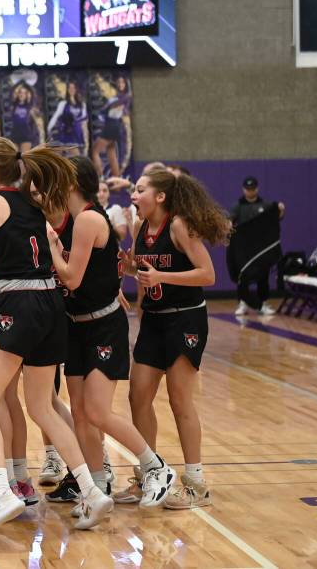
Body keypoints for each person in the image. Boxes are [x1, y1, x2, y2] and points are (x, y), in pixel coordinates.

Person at [0, 138, 114, 536]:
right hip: (50, 303)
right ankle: (91, 488)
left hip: (19, 302)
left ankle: (1, 490)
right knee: (43, 406)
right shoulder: (33, 203)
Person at [47, 156, 176, 511]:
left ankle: (156, 467)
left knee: (99, 411)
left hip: (103, 324)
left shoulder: (88, 218)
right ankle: (97, 484)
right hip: (76, 324)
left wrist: (53, 247)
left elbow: (71, 277)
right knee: (82, 412)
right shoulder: (72, 220)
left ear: (71, 182)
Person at [123, 169, 230, 511]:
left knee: (179, 399)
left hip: (186, 319)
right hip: (154, 319)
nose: (133, 195)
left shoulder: (179, 225)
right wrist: (128, 268)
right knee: (137, 395)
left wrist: (161, 275)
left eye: (139, 190)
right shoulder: (140, 227)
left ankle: (196, 482)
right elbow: (146, 272)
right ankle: (149, 474)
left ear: (160, 197)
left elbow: (208, 274)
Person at [229, 176, 284, 316]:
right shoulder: (238, 206)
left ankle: (263, 302)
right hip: (244, 249)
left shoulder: (265, 205)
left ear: (257, 189)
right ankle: (243, 303)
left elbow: (275, 219)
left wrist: (280, 211)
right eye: (247, 189)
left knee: (263, 275)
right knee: (243, 276)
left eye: (252, 189)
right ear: (243, 189)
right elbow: (230, 222)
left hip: (260, 249)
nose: (250, 191)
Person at [90, 73, 131, 180]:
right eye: (118, 82)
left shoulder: (123, 97)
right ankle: (116, 182)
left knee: (95, 151)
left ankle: (99, 178)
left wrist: (105, 113)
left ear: (126, 84)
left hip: (111, 126)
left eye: (122, 82)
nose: (120, 84)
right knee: (111, 152)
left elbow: (108, 111)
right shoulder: (117, 97)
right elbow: (104, 111)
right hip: (113, 125)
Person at [46, 77, 88, 153]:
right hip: (66, 132)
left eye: (73, 88)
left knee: (76, 157)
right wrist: (49, 128)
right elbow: (55, 117)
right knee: (71, 155)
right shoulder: (63, 104)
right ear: (67, 90)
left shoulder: (82, 105)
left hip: (77, 133)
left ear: (76, 89)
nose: (71, 90)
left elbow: (84, 119)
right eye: (69, 88)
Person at [5, 81, 43, 152]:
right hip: (15, 135)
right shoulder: (14, 106)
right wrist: (18, 83)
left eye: (24, 93)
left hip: (26, 136)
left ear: (26, 95)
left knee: (23, 158)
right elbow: (11, 93)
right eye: (20, 92)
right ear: (18, 94)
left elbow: (33, 94)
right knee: (16, 158)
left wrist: (26, 84)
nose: (22, 94)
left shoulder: (29, 106)